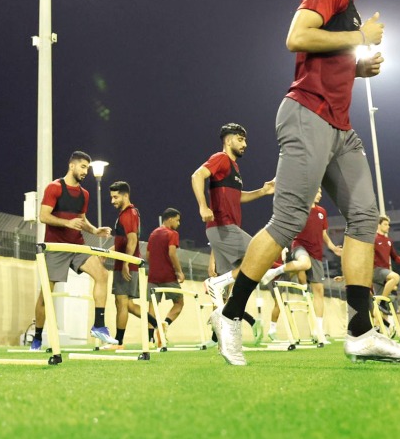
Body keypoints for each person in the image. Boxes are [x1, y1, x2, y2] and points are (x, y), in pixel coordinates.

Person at [212, 0, 400, 365]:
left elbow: (327, 54)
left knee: (365, 217)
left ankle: (361, 332)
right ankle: (229, 315)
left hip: (340, 127)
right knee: (287, 221)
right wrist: (359, 37)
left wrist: (357, 66)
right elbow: (297, 37)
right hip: (307, 115)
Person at [31, 151, 117, 350]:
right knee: (45, 295)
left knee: (102, 274)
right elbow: (43, 216)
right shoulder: (54, 187)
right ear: (72, 166)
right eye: (83, 167)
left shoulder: (84, 194)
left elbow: (81, 219)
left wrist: (94, 230)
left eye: (87, 167)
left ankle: (99, 325)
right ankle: (36, 338)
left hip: (77, 246)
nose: (86, 171)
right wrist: (66, 223)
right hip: (55, 247)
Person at [191, 123, 275, 313]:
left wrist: (263, 191)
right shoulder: (220, 158)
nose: (245, 144)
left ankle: (225, 337)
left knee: (232, 289)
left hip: (224, 229)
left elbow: (238, 197)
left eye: (245, 139)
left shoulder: (234, 167)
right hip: (223, 226)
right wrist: (203, 206)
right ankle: (216, 283)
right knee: (261, 254)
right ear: (228, 141)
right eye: (240, 139)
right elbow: (197, 176)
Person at [263, 188, 342, 343]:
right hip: (300, 247)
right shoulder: (300, 209)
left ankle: (317, 332)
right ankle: (276, 272)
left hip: (317, 254)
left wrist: (332, 247)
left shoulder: (322, 212)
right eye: (317, 191)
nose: (320, 194)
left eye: (320, 191)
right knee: (303, 265)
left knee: (319, 291)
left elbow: (323, 233)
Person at [107, 182, 156, 345]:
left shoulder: (129, 213)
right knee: (126, 304)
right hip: (123, 263)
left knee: (122, 303)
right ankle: (158, 325)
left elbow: (133, 239)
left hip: (126, 265)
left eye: (115, 197)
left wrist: (126, 262)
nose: (112, 201)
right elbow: (124, 239)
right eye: (111, 197)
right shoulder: (125, 214)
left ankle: (118, 342)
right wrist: (109, 251)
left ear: (125, 196)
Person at [146, 208, 186, 347]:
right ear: (170, 219)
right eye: (177, 219)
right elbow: (172, 253)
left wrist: (154, 267)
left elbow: (148, 254)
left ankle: (149, 340)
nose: (178, 223)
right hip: (168, 276)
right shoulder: (172, 233)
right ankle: (165, 324)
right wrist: (179, 271)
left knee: (152, 306)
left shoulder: (153, 233)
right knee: (179, 302)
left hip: (152, 276)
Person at [373, 215, 400, 324]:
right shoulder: (373, 239)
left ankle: (378, 330)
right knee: (396, 277)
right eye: (385, 224)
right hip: (376, 270)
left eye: (388, 225)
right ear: (378, 225)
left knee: (381, 309)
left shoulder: (388, 241)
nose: (388, 227)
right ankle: (382, 302)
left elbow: (395, 257)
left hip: (384, 273)